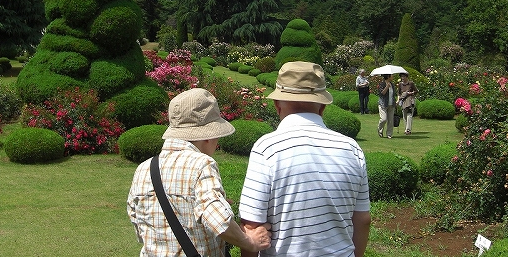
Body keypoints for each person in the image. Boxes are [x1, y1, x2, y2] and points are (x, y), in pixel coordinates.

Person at [238, 61, 371, 257]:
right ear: (322, 107)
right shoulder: (351, 148)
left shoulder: (266, 148)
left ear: (277, 105)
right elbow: (363, 219)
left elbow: (251, 225)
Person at [127, 88, 272, 257]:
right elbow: (217, 219)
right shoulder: (202, 164)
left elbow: (138, 221)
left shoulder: (144, 169)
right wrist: (250, 242)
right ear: (208, 136)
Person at [377, 74, 397, 139]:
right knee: (383, 119)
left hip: (391, 104)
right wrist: (387, 87)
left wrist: (395, 101)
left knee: (391, 120)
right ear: (388, 77)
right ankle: (380, 130)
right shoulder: (382, 84)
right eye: (392, 76)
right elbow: (382, 93)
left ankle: (389, 134)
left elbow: (393, 94)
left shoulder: (392, 84)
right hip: (383, 104)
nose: (393, 77)